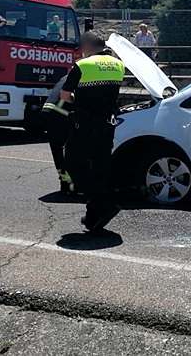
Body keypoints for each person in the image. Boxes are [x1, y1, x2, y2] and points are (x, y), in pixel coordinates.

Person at [62, 32, 125, 232]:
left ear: (88, 44)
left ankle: (106, 206)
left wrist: (76, 99)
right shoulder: (118, 64)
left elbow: (65, 95)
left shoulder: (82, 65)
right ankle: (93, 217)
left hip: (86, 124)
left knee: (73, 163)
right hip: (109, 124)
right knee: (100, 168)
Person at [42, 75, 75, 194]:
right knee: (66, 150)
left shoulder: (67, 77)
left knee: (58, 150)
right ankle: (71, 187)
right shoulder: (82, 77)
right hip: (60, 113)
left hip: (50, 111)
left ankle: (65, 184)